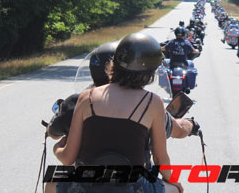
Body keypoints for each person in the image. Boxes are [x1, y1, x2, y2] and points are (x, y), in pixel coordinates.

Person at [52, 33, 184, 193]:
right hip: (134, 187)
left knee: (51, 185)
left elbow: (68, 158)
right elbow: (160, 159)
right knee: (174, 190)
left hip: (86, 186)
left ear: (114, 63)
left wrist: (56, 148)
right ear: (150, 72)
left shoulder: (87, 98)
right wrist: (174, 182)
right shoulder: (153, 102)